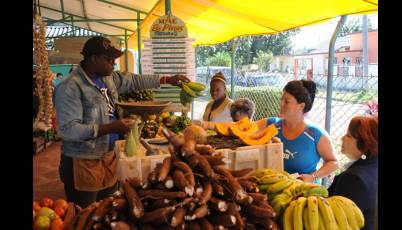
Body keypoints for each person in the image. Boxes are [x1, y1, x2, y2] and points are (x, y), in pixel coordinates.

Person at [54, 36, 190, 208]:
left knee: (108, 211)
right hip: (83, 163)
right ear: (93, 58)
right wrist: (111, 128)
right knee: (85, 214)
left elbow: (133, 81)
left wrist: (166, 80)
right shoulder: (70, 88)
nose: (113, 63)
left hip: (109, 158)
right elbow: (69, 130)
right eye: (108, 59)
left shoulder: (107, 78)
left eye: (114, 59)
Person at [204, 80, 338, 183]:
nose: (281, 104)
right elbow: (239, 127)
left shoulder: (315, 134)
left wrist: (313, 177)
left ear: (301, 106)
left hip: (304, 190)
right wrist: (206, 125)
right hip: (275, 185)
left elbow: (333, 162)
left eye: (287, 101)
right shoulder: (272, 124)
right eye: (281, 99)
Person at [328, 115, 378, 230]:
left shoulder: (354, 179)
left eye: (348, 136)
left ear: (364, 144)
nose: (342, 138)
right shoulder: (372, 166)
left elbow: (334, 222)